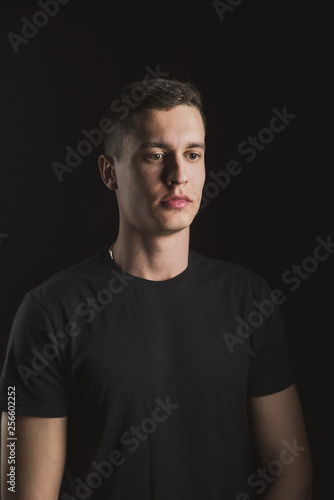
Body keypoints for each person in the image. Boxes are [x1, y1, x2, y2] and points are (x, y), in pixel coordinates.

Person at [0, 78, 312, 499]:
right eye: (155, 155)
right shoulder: (48, 312)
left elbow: (291, 469)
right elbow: (20, 487)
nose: (178, 175)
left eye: (193, 154)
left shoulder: (249, 300)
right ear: (110, 172)